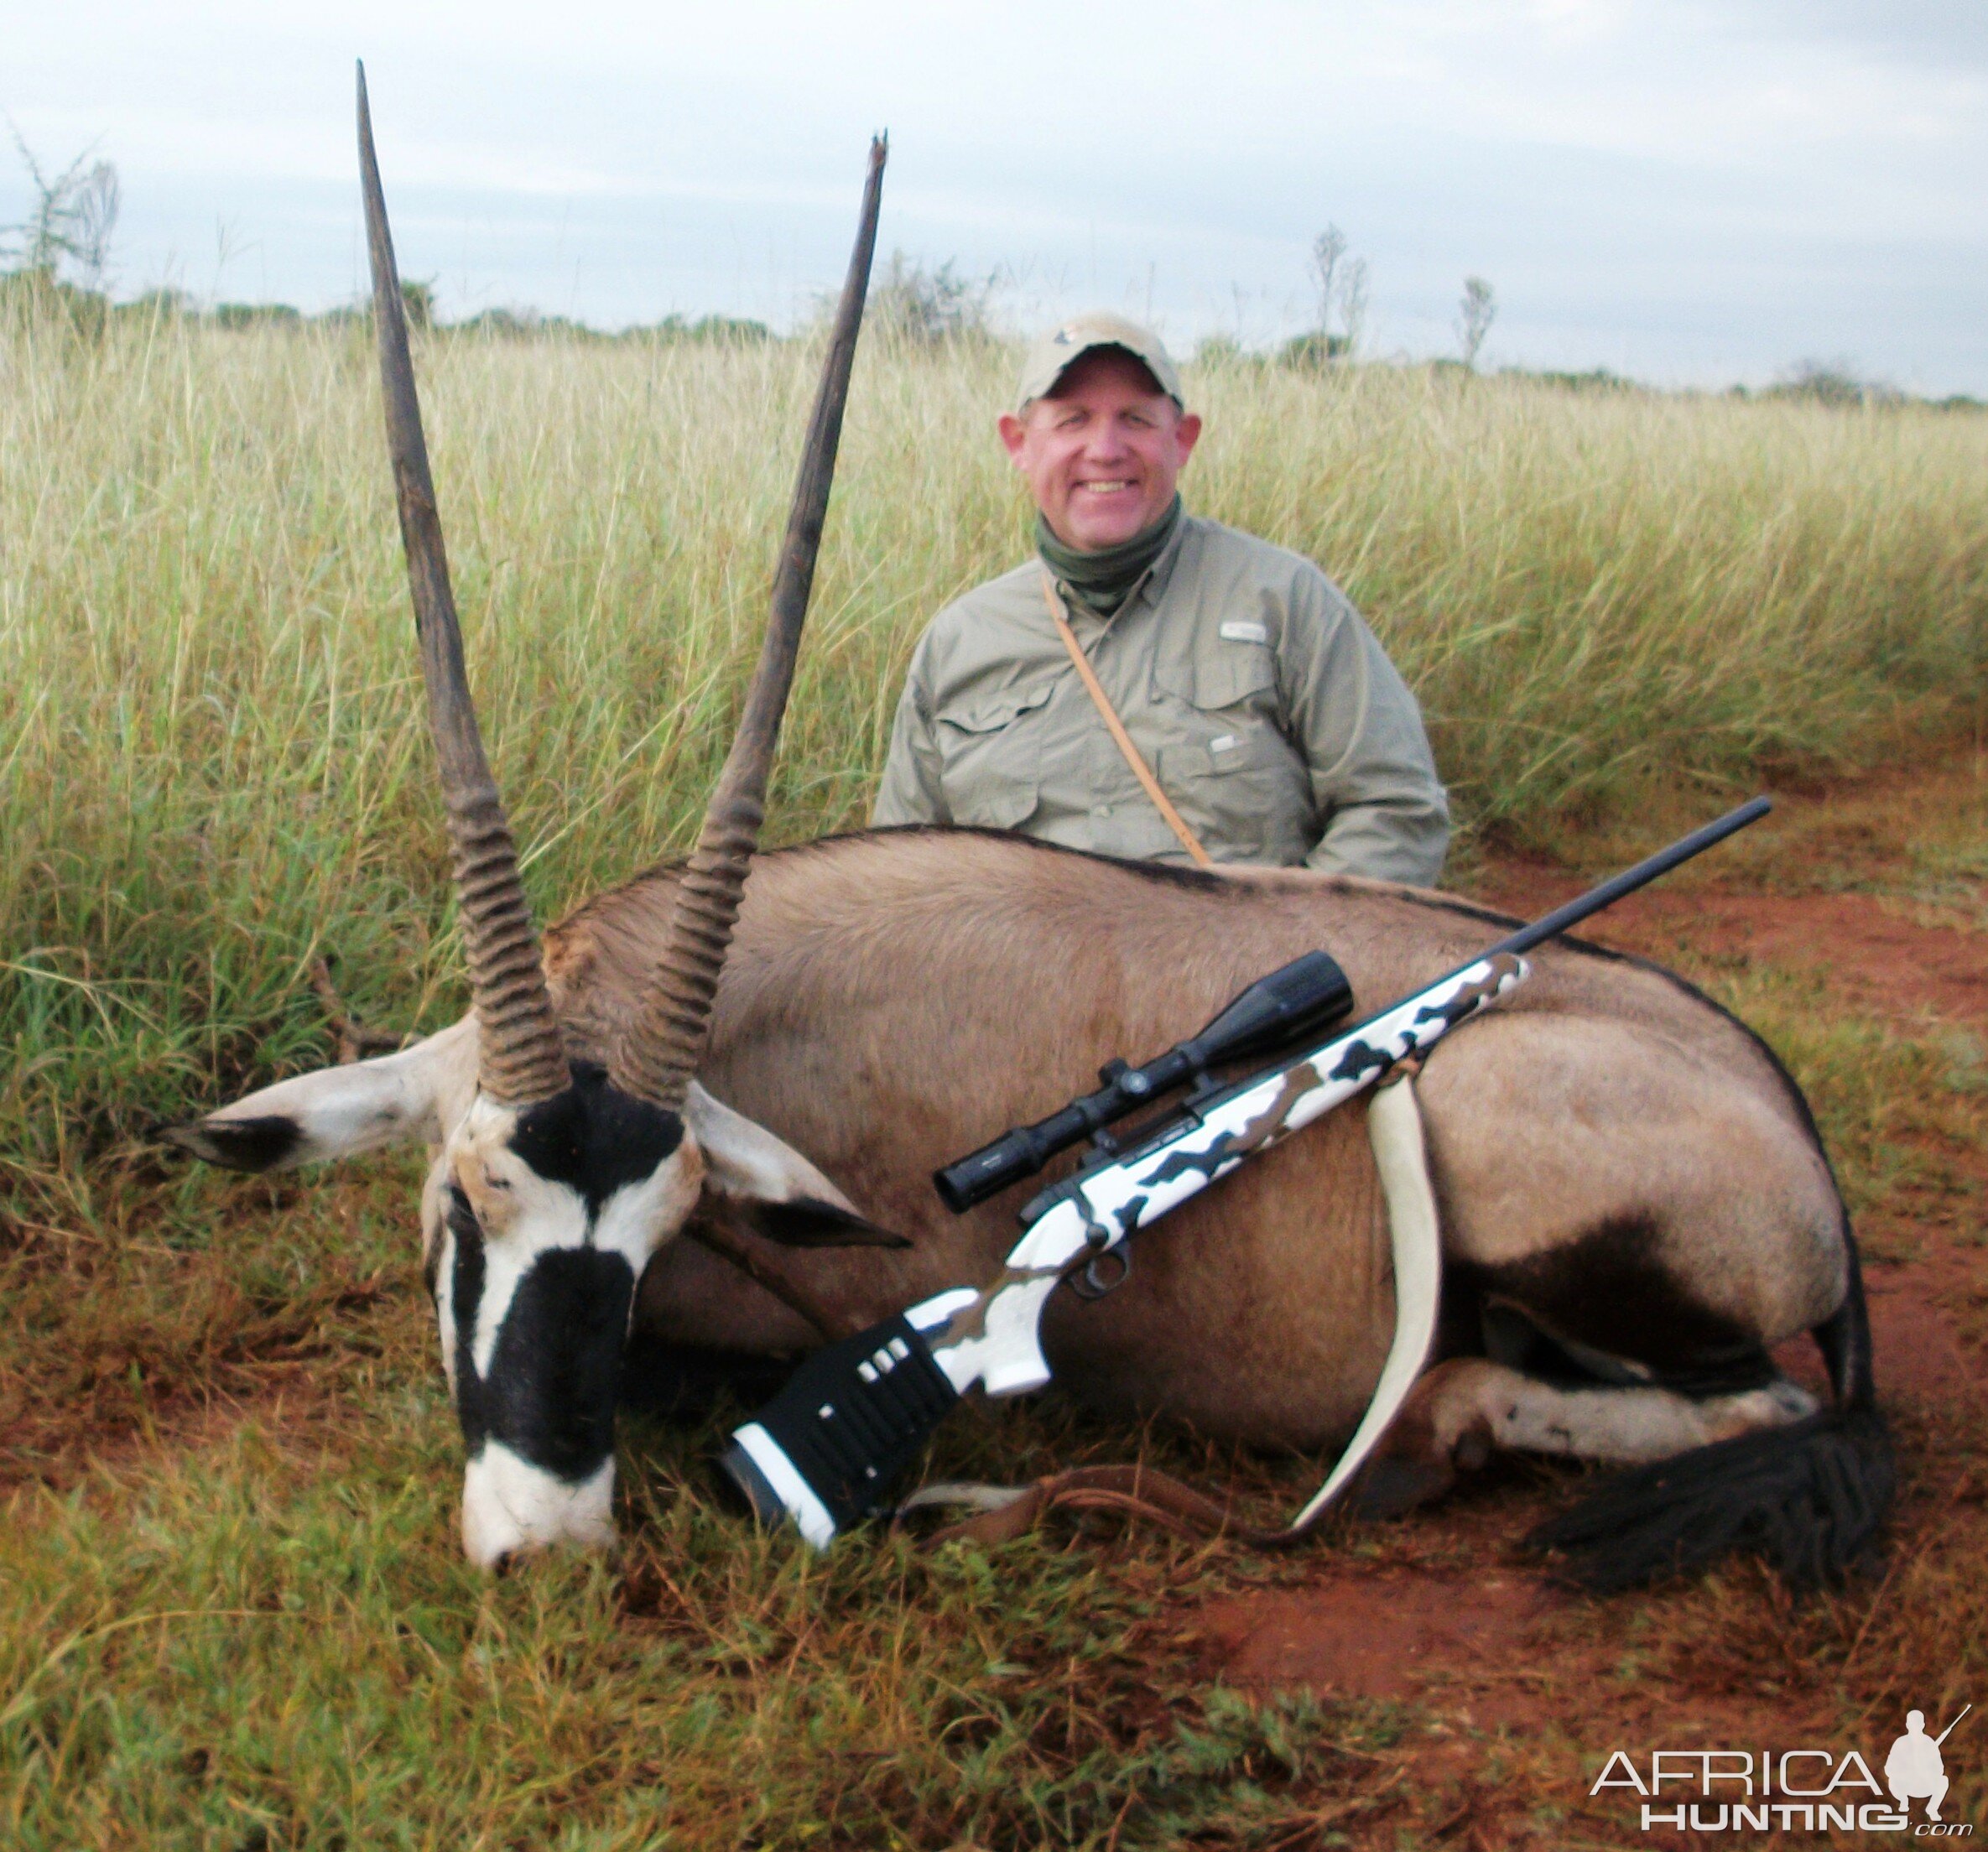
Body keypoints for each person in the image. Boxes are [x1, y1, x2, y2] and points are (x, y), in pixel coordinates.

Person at [872, 311, 1449, 885]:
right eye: (1073, 420)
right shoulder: (959, 642)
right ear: (1018, 443)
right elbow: (897, 876)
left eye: (1136, 419)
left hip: (1248, 972)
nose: (1105, 449)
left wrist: (1291, 963)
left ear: (1183, 440)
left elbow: (1396, 811)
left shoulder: (1284, 600)